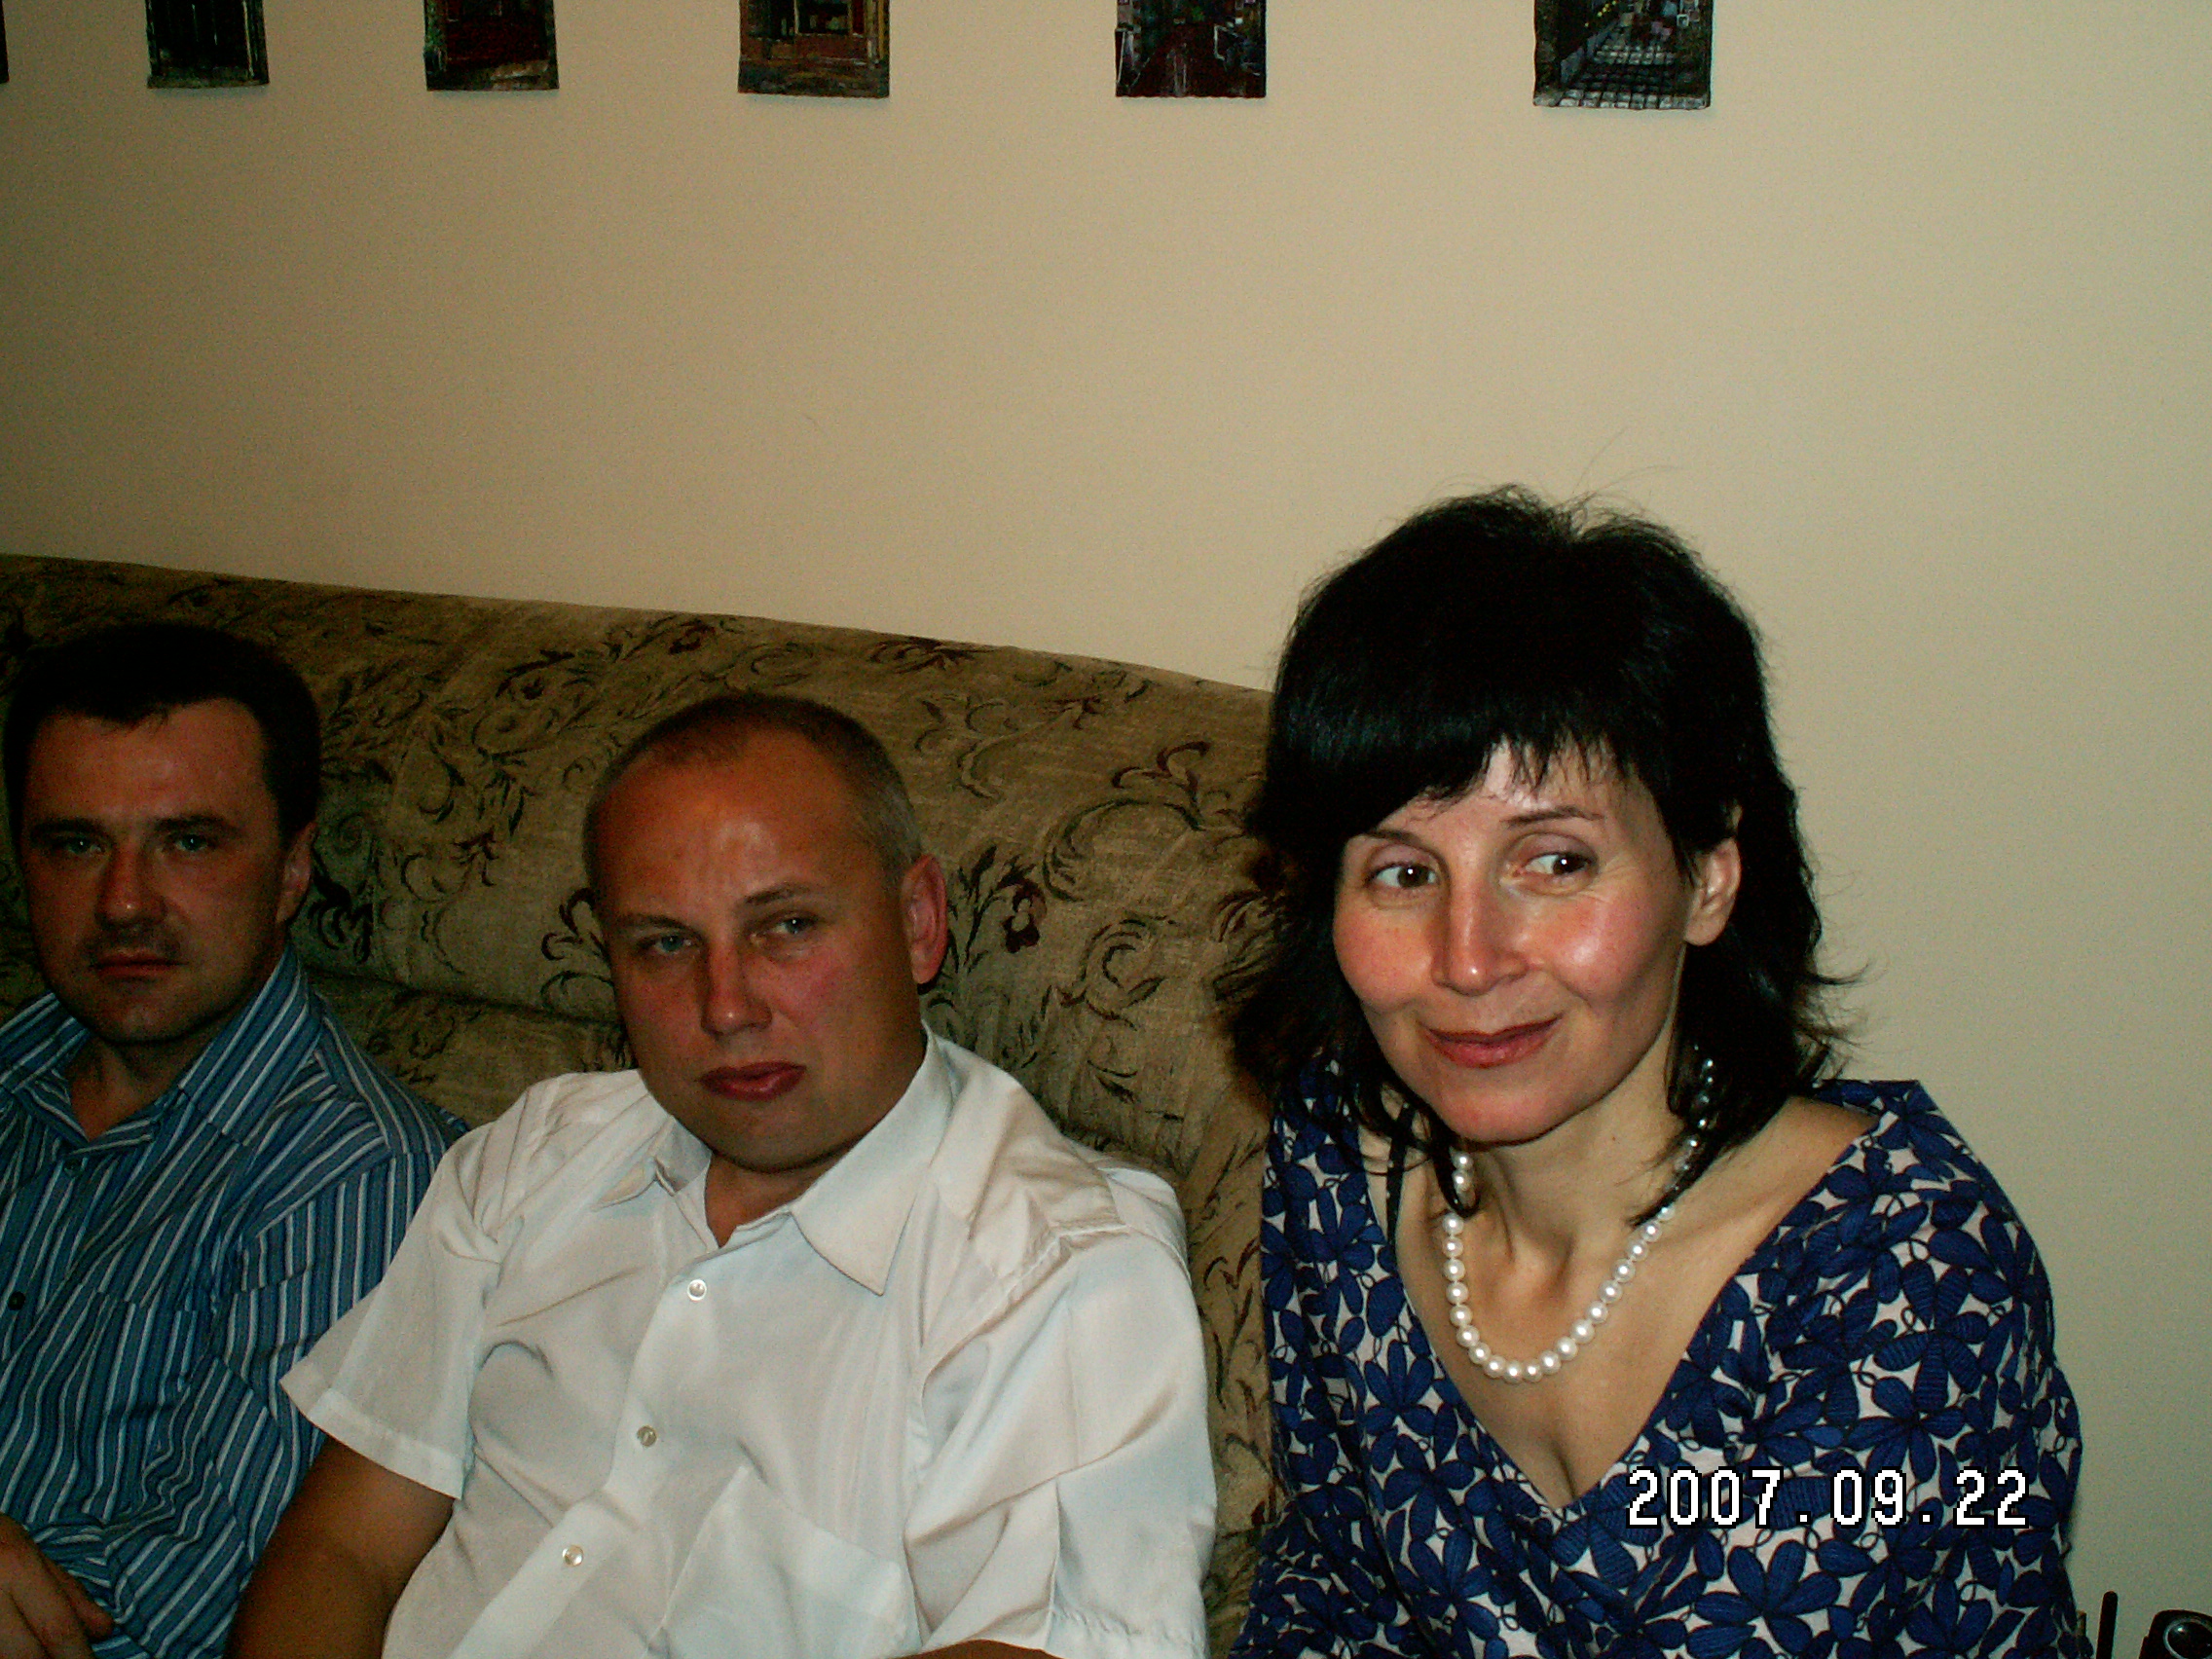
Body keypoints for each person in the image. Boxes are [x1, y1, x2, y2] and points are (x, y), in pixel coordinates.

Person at [1225, 490, 2085, 1657]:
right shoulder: (1337, 1165)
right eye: (1403, 874)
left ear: (1708, 878)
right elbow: (1331, 1587)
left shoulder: (1906, 1281)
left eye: (1554, 862)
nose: (1468, 959)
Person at [230, 692, 1216, 1659]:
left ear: (918, 921)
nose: (726, 1006)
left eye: (786, 927)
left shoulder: (1059, 1270)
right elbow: (343, 1548)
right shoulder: (535, 1153)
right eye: (665, 944)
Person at [0, 622, 460, 1659]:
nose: (123, 901)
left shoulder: (351, 1176)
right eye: (75, 843)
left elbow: (196, 1599)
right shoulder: (12, 1077)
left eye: (189, 842)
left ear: (293, 870)